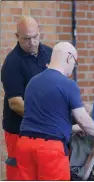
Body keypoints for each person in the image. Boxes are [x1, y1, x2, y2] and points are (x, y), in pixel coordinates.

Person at [15, 42, 94, 180]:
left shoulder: (33, 82)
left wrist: (72, 128)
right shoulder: (68, 84)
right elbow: (82, 118)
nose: (73, 67)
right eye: (74, 63)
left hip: (24, 146)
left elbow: (45, 120)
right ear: (69, 58)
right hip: (50, 149)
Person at [1, 15, 53, 180]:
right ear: (17, 37)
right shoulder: (12, 63)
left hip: (45, 130)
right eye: (26, 39)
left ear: (39, 33)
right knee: (21, 175)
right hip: (19, 131)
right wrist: (45, 118)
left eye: (35, 37)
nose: (32, 42)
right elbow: (16, 103)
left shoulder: (50, 54)